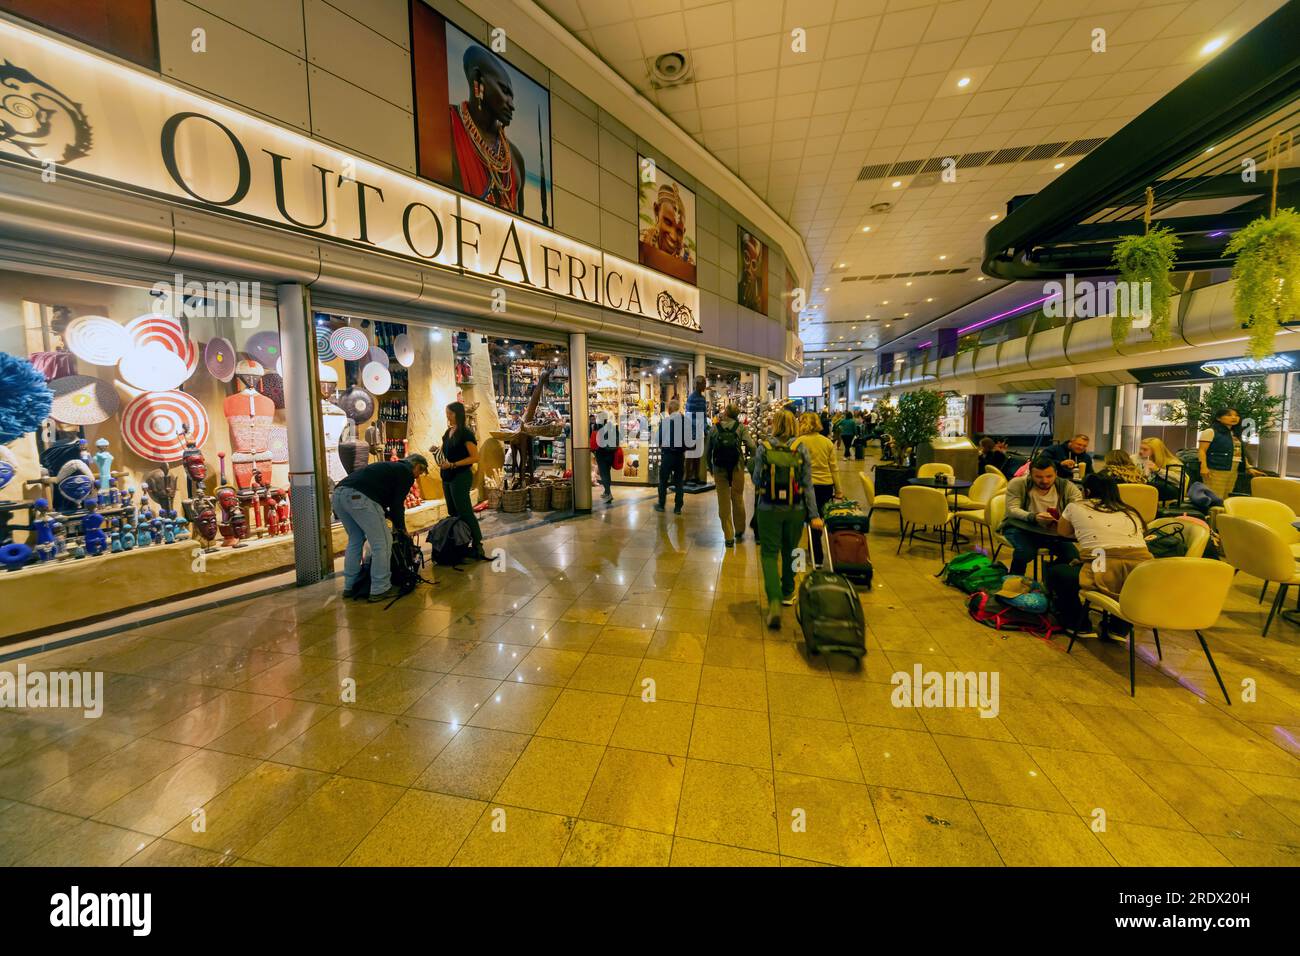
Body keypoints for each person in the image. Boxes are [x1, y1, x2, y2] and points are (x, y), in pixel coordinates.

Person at [1045, 474, 1152, 637]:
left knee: (1058, 573)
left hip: (1102, 563)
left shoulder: (1075, 507)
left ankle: (1078, 624)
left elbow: (1064, 532)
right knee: (1121, 579)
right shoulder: (1131, 511)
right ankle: (1119, 628)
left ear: (1086, 491)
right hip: (1141, 571)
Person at [752, 410, 821, 629]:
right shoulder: (800, 448)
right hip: (796, 508)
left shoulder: (765, 447)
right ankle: (788, 592)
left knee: (769, 554)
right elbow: (808, 484)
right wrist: (814, 515)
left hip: (768, 508)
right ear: (795, 425)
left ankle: (773, 600)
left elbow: (755, 479)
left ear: (774, 424)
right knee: (793, 550)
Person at [334, 454, 429, 602]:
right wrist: (402, 529)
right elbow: (397, 505)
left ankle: (350, 585)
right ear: (417, 466)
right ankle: (380, 588)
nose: (418, 477)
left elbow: (385, 502)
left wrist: (391, 517)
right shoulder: (406, 472)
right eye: (420, 472)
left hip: (339, 494)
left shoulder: (391, 468)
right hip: (360, 497)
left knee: (355, 539)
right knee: (382, 543)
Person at [448, 45, 527, 216]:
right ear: (478, 78)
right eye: (505, 91)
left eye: (512, 97)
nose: (511, 104)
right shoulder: (446, 125)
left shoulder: (515, 157)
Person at [1002, 456, 1081, 576]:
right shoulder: (1018, 483)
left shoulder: (1067, 486)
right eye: (1038, 477)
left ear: (1056, 473)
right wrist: (1033, 517)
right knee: (1025, 553)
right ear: (1030, 474)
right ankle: (1013, 582)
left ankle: (1050, 576)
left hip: (1053, 532)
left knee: (1073, 557)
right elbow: (1011, 509)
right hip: (1022, 528)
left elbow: (1078, 507)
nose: (1044, 481)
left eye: (1049, 476)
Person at [792, 412, 842, 565]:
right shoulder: (827, 442)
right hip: (825, 486)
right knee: (818, 519)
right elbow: (834, 468)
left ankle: (803, 556)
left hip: (804, 486)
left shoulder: (798, 442)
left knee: (801, 520)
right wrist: (838, 490)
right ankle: (817, 556)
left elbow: (792, 466)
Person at [439, 401, 488, 560]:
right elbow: (446, 452)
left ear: (457, 414)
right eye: (447, 413)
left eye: (450, 413)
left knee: (465, 510)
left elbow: (475, 457)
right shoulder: (448, 432)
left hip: (460, 475)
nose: (447, 416)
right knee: (453, 512)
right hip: (447, 476)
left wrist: (453, 464)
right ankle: (460, 542)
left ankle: (478, 543)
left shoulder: (466, 433)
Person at [706, 403, 756, 546]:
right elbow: (752, 446)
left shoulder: (715, 428)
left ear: (726, 413)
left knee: (723, 501)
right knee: (738, 498)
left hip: (719, 467)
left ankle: (728, 536)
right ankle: (739, 530)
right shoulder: (741, 428)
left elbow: (707, 451)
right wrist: (750, 461)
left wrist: (710, 467)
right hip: (737, 466)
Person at [1198, 406, 1264, 501]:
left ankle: (1220, 515)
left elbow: (1239, 453)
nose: (1234, 417)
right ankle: (1211, 515)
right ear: (1218, 418)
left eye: (1236, 415)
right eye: (1229, 415)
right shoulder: (1210, 431)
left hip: (1234, 468)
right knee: (1214, 496)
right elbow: (1201, 450)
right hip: (1216, 468)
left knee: (1226, 496)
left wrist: (1248, 467)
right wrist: (1203, 467)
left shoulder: (1234, 434)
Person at [655, 398, 688, 514]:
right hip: (680, 455)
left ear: (669, 409)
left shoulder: (665, 422)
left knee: (663, 480)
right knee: (679, 481)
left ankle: (661, 504)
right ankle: (678, 507)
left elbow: (657, 439)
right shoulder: (685, 421)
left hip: (667, 455)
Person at [591, 410, 620, 503]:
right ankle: (606, 492)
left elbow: (596, 441)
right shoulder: (613, 426)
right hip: (611, 453)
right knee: (607, 473)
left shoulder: (599, 427)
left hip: (602, 453)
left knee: (604, 474)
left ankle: (608, 493)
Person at [686, 376, 710, 483]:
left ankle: (695, 476)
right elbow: (689, 416)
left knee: (697, 456)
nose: (705, 385)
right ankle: (687, 477)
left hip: (699, 430)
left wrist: (704, 428)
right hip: (692, 431)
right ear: (697, 384)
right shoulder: (692, 398)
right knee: (691, 455)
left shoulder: (702, 398)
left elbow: (703, 415)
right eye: (703, 383)